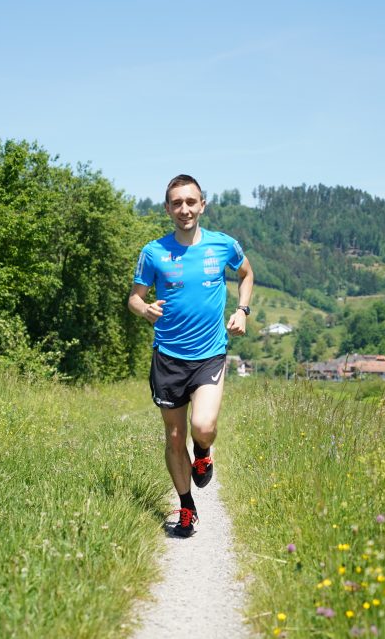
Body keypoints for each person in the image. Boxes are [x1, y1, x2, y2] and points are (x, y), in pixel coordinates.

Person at [128, 174, 254, 537]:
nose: (184, 209)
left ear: (203, 204)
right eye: (177, 203)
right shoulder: (154, 252)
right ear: (168, 209)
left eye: (190, 202)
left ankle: (203, 453)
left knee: (203, 427)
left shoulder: (223, 245)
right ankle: (186, 508)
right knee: (172, 436)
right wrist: (144, 309)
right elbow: (134, 297)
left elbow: (246, 274)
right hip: (168, 356)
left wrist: (242, 310)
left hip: (210, 354)